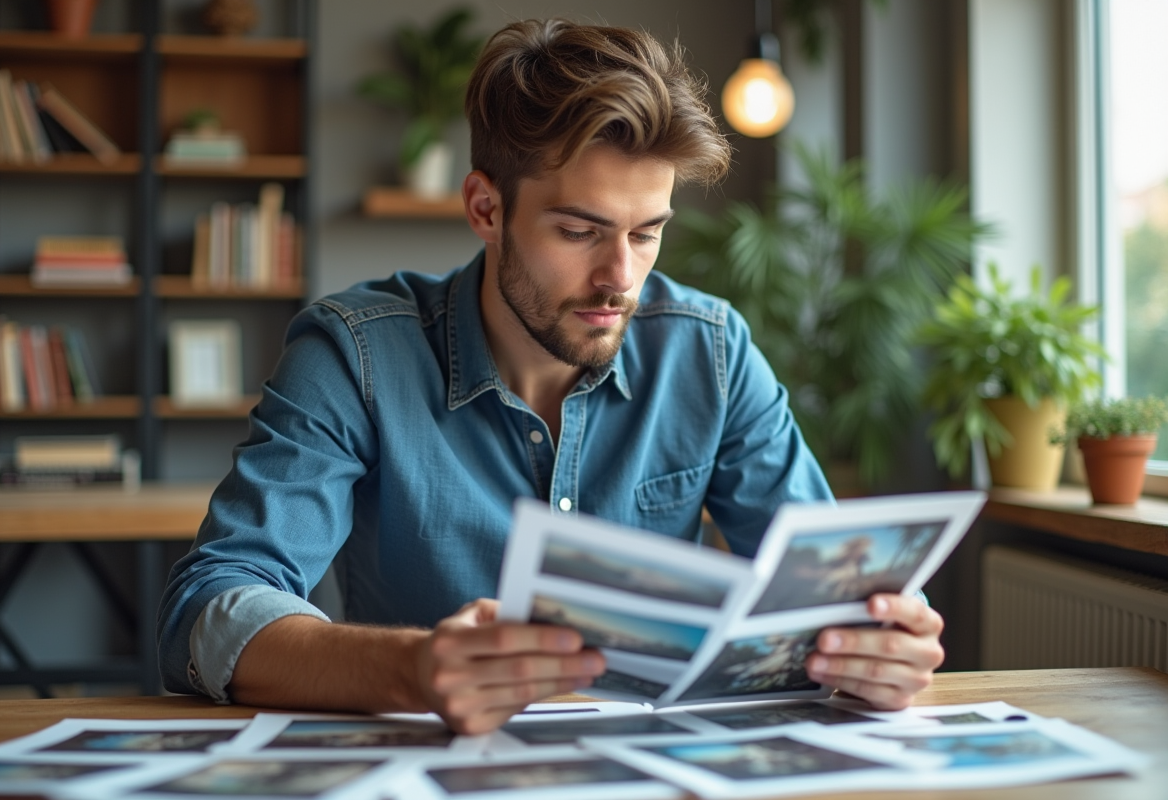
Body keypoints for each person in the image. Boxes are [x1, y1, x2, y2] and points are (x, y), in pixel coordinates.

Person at [158, 18, 945, 735]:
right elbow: (209, 605)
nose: (620, 277)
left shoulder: (711, 352)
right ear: (485, 208)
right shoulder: (354, 355)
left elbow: (833, 589)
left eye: (648, 234)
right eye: (580, 231)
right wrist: (414, 669)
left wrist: (880, 645)